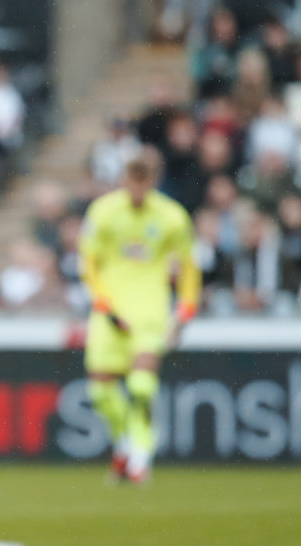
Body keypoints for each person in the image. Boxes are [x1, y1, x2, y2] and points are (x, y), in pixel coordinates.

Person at [79, 152, 201, 484]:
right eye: (132, 181)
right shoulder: (103, 212)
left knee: (141, 385)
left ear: (153, 182)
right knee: (101, 394)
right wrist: (105, 305)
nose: (137, 189)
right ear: (123, 179)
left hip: (150, 310)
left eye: (143, 182)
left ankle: (140, 458)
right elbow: (88, 265)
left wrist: (186, 308)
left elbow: (190, 266)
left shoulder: (172, 217)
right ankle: (124, 445)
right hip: (110, 311)